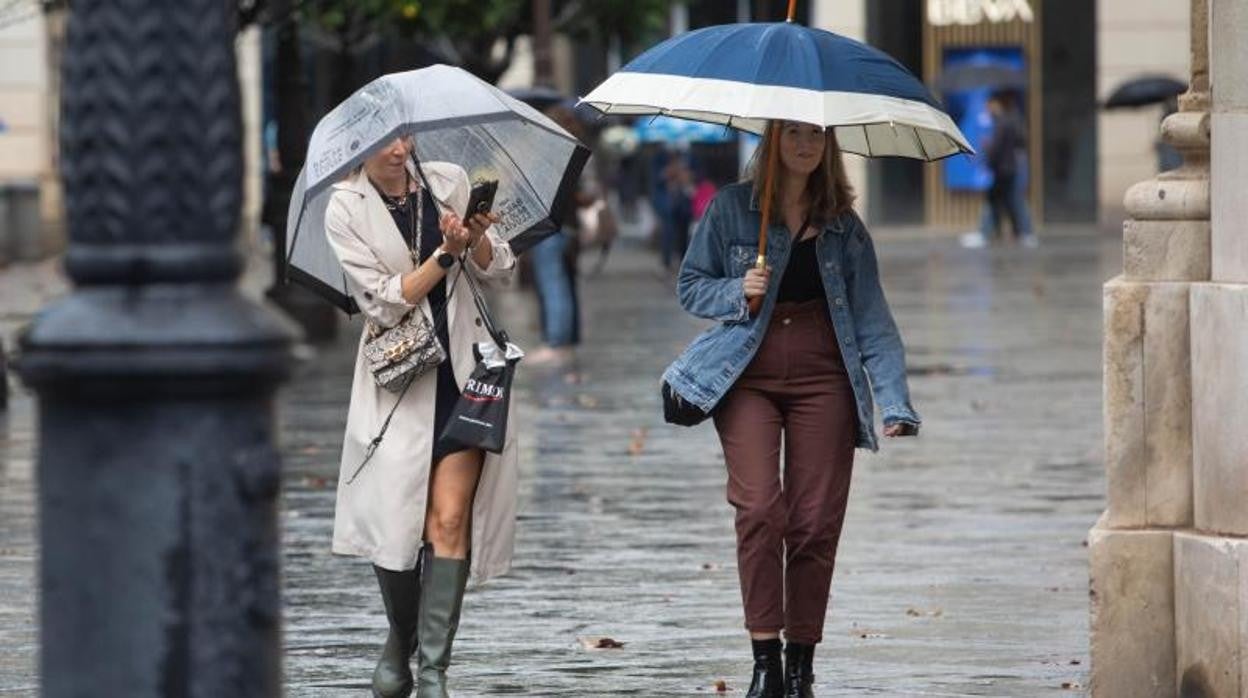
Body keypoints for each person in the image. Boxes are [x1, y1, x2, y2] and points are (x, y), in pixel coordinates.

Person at [663, 121, 920, 697]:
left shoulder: (844, 226)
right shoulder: (733, 209)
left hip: (824, 375)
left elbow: (873, 319)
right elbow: (690, 285)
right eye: (795, 134)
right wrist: (737, 290)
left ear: (828, 147)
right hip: (745, 371)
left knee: (813, 523)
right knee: (758, 509)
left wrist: (894, 400)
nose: (806, 145)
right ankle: (765, 662)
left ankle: (801, 664)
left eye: (817, 136)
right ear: (773, 139)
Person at [324, 135, 519, 698]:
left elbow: (499, 267)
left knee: (448, 521)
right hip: (399, 383)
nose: (398, 150)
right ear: (358, 149)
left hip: (465, 376)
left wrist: (477, 241)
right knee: (396, 526)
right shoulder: (345, 206)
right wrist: (445, 253)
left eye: (405, 136)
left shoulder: (446, 181)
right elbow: (384, 301)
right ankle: (400, 637)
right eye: (384, 142)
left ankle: (433, 673)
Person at [965, 93, 1037, 248]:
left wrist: (988, 154)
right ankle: (1019, 233)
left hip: (1004, 169)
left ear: (997, 104)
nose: (987, 108)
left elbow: (998, 147)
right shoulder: (1008, 120)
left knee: (1005, 201)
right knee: (1005, 201)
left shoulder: (1003, 122)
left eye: (989, 105)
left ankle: (1019, 233)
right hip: (1006, 168)